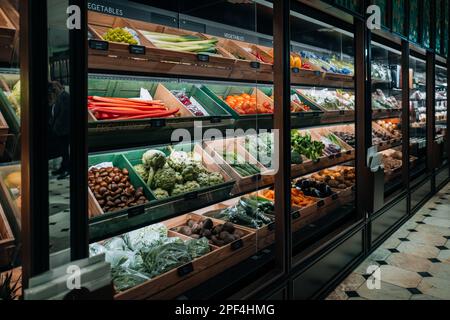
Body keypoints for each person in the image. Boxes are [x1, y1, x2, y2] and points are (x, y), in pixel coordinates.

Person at [48, 81, 70, 179]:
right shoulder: (59, 96)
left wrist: (56, 126)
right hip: (59, 129)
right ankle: (63, 168)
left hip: (63, 130)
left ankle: (67, 170)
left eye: (53, 90)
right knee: (63, 151)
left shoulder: (64, 96)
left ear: (57, 88)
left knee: (65, 151)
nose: (52, 92)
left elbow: (64, 115)